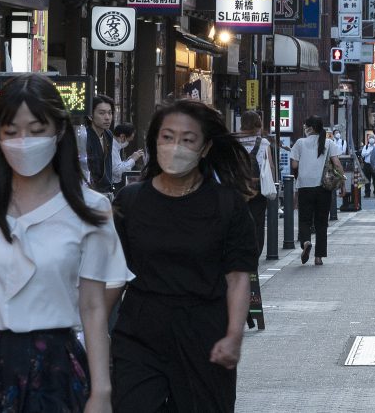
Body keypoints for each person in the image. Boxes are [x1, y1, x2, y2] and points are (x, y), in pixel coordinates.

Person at [0, 73, 130, 411]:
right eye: (11, 132)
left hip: (54, 367)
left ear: (60, 132)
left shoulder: (91, 209)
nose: (24, 141)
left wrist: (102, 392)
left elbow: (93, 306)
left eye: (37, 131)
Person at [111, 99, 255, 412]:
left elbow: (238, 276)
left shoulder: (227, 205)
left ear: (204, 148)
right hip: (140, 330)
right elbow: (112, 276)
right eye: (167, 137)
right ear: (154, 142)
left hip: (203, 333)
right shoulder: (130, 202)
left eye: (188, 140)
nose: (176, 147)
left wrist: (233, 335)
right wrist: (97, 333)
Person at [290, 116, 344, 265]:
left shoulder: (300, 143)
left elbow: (294, 165)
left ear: (310, 128)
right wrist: (343, 184)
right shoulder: (329, 143)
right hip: (323, 188)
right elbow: (337, 164)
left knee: (305, 219)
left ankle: (306, 242)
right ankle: (318, 257)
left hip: (304, 186)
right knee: (321, 222)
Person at [236, 111, 276, 259]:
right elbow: (270, 166)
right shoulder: (263, 143)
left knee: (238, 221)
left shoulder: (234, 141)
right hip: (258, 188)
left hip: (238, 188)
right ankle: (255, 254)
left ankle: (240, 252)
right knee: (258, 222)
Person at [86, 94, 116, 193]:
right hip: (90, 190)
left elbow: (108, 165)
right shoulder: (85, 136)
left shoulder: (108, 134)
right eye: (102, 113)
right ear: (90, 116)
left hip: (106, 189)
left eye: (110, 113)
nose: (107, 117)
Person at [112, 122, 145, 189]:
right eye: (128, 140)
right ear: (122, 136)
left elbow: (118, 165)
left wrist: (130, 159)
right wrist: (133, 160)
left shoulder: (116, 147)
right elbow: (118, 171)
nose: (128, 143)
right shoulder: (112, 148)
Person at [361, 133, 375, 198]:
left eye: (372, 137)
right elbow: (363, 154)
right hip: (367, 164)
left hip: (374, 165)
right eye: (370, 138)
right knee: (367, 180)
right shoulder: (366, 146)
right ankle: (367, 193)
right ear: (368, 139)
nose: (371, 139)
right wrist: (369, 152)